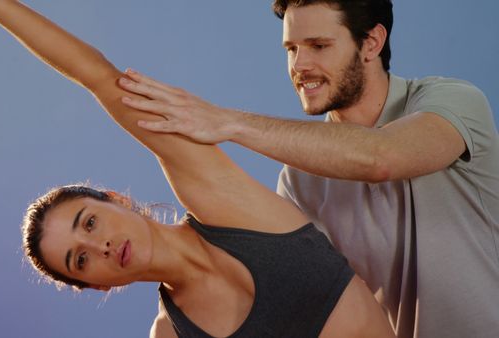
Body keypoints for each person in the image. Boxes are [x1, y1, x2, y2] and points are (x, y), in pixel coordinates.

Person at [0, 0, 396, 337]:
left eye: (89, 221)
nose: (98, 245)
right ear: (97, 285)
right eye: (80, 260)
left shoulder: (219, 203)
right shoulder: (170, 334)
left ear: (119, 200)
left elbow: (99, 79)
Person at [116, 0, 499, 337]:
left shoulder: (452, 101)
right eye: (291, 48)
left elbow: (381, 158)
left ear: (371, 43)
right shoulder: (300, 183)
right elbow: (299, 294)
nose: (300, 65)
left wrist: (228, 122)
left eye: (318, 46)